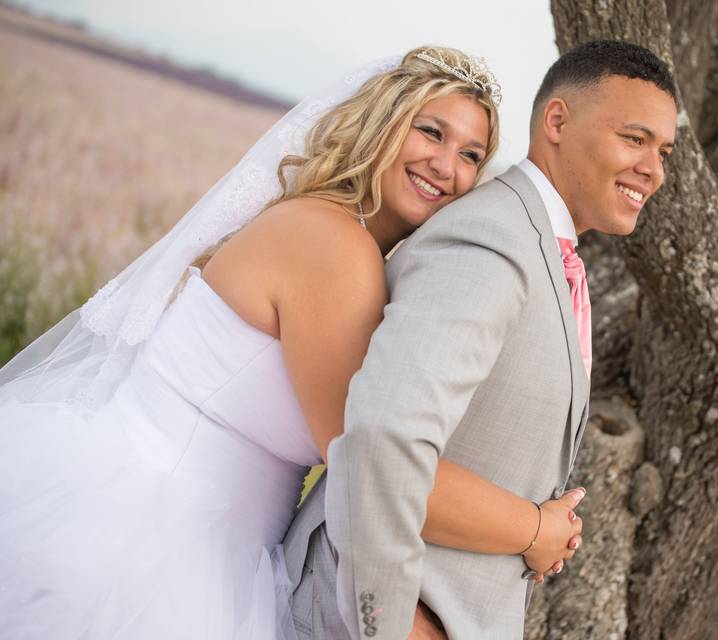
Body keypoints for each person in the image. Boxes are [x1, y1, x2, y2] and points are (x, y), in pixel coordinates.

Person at [0, 46, 583, 640]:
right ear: (382, 126)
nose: (446, 166)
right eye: (430, 132)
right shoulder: (333, 246)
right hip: (143, 539)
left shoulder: (344, 239)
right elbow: (373, 473)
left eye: (470, 156)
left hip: (219, 542)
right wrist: (533, 530)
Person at [286, 39, 679, 639]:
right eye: (635, 139)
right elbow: (383, 436)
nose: (654, 169)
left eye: (663, 150)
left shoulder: (546, 250)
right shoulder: (491, 239)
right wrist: (385, 625)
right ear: (557, 121)